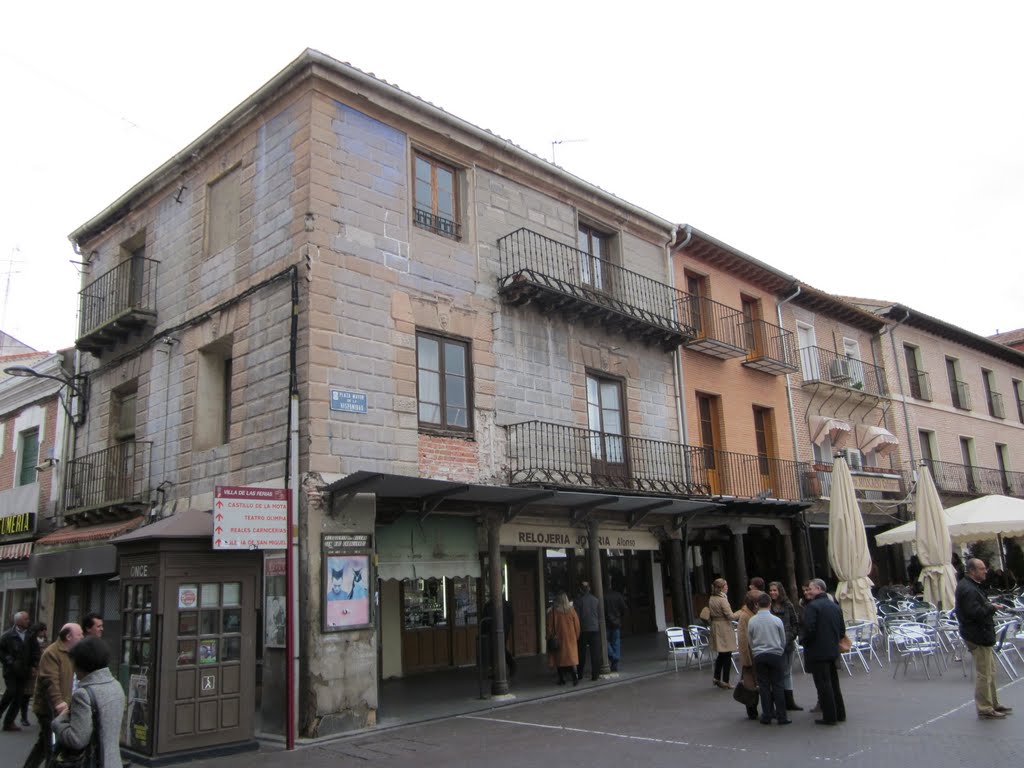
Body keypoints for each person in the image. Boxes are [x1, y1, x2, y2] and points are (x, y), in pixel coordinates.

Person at [52, 637, 125, 768]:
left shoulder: (83, 694)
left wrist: (58, 722)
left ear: (83, 664)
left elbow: (77, 739)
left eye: (73, 664)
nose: (73, 669)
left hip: (92, 762)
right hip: (112, 761)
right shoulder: (116, 686)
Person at [954, 558, 1013, 719]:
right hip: (977, 635)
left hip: (982, 634)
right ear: (972, 571)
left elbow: (977, 608)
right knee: (984, 673)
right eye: (981, 569)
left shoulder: (971, 586)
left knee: (990, 671)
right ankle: (985, 708)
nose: (985, 571)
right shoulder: (968, 589)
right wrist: (990, 607)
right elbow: (974, 613)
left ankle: (993, 703)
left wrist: (988, 605)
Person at [22, 623, 83, 768]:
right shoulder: (52, 652)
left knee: (43, 744)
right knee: (52, 747)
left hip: (63, 707)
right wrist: (59, 702)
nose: (82, 637)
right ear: (68, 637)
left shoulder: (72, 653)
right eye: (79, 635)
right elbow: (50, 680)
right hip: (49, 708)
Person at [801, 578, 846, 725]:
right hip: (832, 649)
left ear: (819, 589)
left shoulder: (813, 607)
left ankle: (830, 716)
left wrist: (804, 641)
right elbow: (842, 630)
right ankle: (840, 713)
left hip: (817, 651)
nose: (808, 591)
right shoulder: (834, 606)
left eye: (811, 588)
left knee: (823, 683)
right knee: (834, 682)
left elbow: (809, 629)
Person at [748, 592, 791, 725]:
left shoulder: (752, 620)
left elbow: (750, 640)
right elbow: (783, 639)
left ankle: (767, 715)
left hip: (759, 655)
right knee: (778, 685)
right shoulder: (776, 620)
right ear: (770, 604)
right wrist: (779, 650)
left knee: (764, 686)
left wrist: (755, 651)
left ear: (757, 604)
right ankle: (781, 716)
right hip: (775, 654)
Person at [769, 581, 803, 711]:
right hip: (773, 645)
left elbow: (795, 623)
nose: (772, 592)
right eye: (771, 590)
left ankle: (789, 701)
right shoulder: (768, 606)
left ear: (780, 591)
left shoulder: (788, 605)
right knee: (776, 674)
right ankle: (779, 701)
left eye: (775, 590)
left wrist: (788, 637)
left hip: (787, 644)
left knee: (787, 672)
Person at [0, 611, 33, 732]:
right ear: (18, 621)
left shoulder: (30, 635)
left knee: (19, 697)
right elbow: (1, 652)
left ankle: (9, 722)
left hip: (24, 671)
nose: (28, 621)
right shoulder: (8, 635)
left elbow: (34, 651)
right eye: (25, 619)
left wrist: (34, 665)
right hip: (11, 671)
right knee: (11, 692)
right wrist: (9, 661)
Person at [707, 578, 740, 689]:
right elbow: (730, 616)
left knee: (721, 654)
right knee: (727, 654)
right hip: (724, 627)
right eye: (725, 585)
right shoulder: (723, 600)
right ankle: (725, 681)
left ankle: (716, 677)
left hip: (716, 626)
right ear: (721, 588)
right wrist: (741, 612)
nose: (727, 587)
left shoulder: (712, 598)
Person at [736, 589, 762, 720]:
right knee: (750, 684)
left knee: (758, 682)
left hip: (758, 654)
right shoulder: (745, 616)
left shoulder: (754, 614)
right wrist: (746, 660)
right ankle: (752, 710)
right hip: (751, 656)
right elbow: (742, 639)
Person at [546, 592, 580, 686]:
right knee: (572, 660)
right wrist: (576, 636)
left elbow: (549, 627)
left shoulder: (553, 612)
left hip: (559, 640)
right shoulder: (572, 611)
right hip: (571, 639)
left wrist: (548, 637)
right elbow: (577, 625)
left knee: (559, 660)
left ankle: (561, 679)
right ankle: (575, 678)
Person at [19, 622, 47, 727]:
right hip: (33, 670)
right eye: (43, 630)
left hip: (42, 670)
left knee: (40, 695)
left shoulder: (45, 641)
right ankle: (23, 717)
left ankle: (39, 716)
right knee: (26, 695)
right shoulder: (32, 640)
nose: (44, 633)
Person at [574, 581, 601, 681]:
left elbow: (577, 617)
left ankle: (580, 674)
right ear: (589, 589)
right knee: (595, 652)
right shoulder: (595, 600)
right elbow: (599, 615)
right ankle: (595, 675)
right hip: (594, 628)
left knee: (581, 653)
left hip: (583, 629)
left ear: (581, 590)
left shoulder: (578, 601)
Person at [604, 579, 628, 672]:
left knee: (605, 642)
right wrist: (619, 617)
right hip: (616, 622)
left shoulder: (604, 597)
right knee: (616, 642)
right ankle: (615, 659)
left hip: (606, 623)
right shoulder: (618, 596)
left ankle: (613, 657)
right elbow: (624, 609)